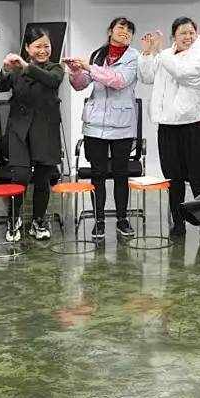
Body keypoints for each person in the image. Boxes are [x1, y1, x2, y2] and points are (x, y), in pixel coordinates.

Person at [64, 17, 140, 241]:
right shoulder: (98, 55)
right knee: (97, 174)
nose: (125, 32)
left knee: (120, 174)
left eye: (129, 30)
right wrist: (75, 71)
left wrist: (88, 67)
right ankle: (98, 220)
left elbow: (118, 81)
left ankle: (122, 219)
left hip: (122, 124)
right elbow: (80, 85)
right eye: (121, 27)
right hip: (95, 124)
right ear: (110, 31)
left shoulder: (133, 57)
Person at [138, 17, 200, 242]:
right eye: (183, 33)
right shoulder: (166, 55)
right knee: (173, 177)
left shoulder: (199, 54)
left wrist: (161, 53)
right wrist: (147, 54)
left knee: (199, 179)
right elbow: (147, 76)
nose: (188, 37)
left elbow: (182, 72)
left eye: (191, 32)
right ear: (174, 37)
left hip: (193, 124)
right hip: (168, 126)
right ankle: (178, 223)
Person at [0, 26, 65, 242]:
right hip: (19, 130)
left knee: (43, 179)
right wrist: (6, 70)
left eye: (46, 46)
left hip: (45, 130)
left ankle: (38, 221)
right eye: (37, 46)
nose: (43, 51)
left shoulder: (56, 68)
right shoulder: (17, 69)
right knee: (20, 177)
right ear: (27, 47)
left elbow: (51, 81)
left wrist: (26, 66)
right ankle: (13, 218)